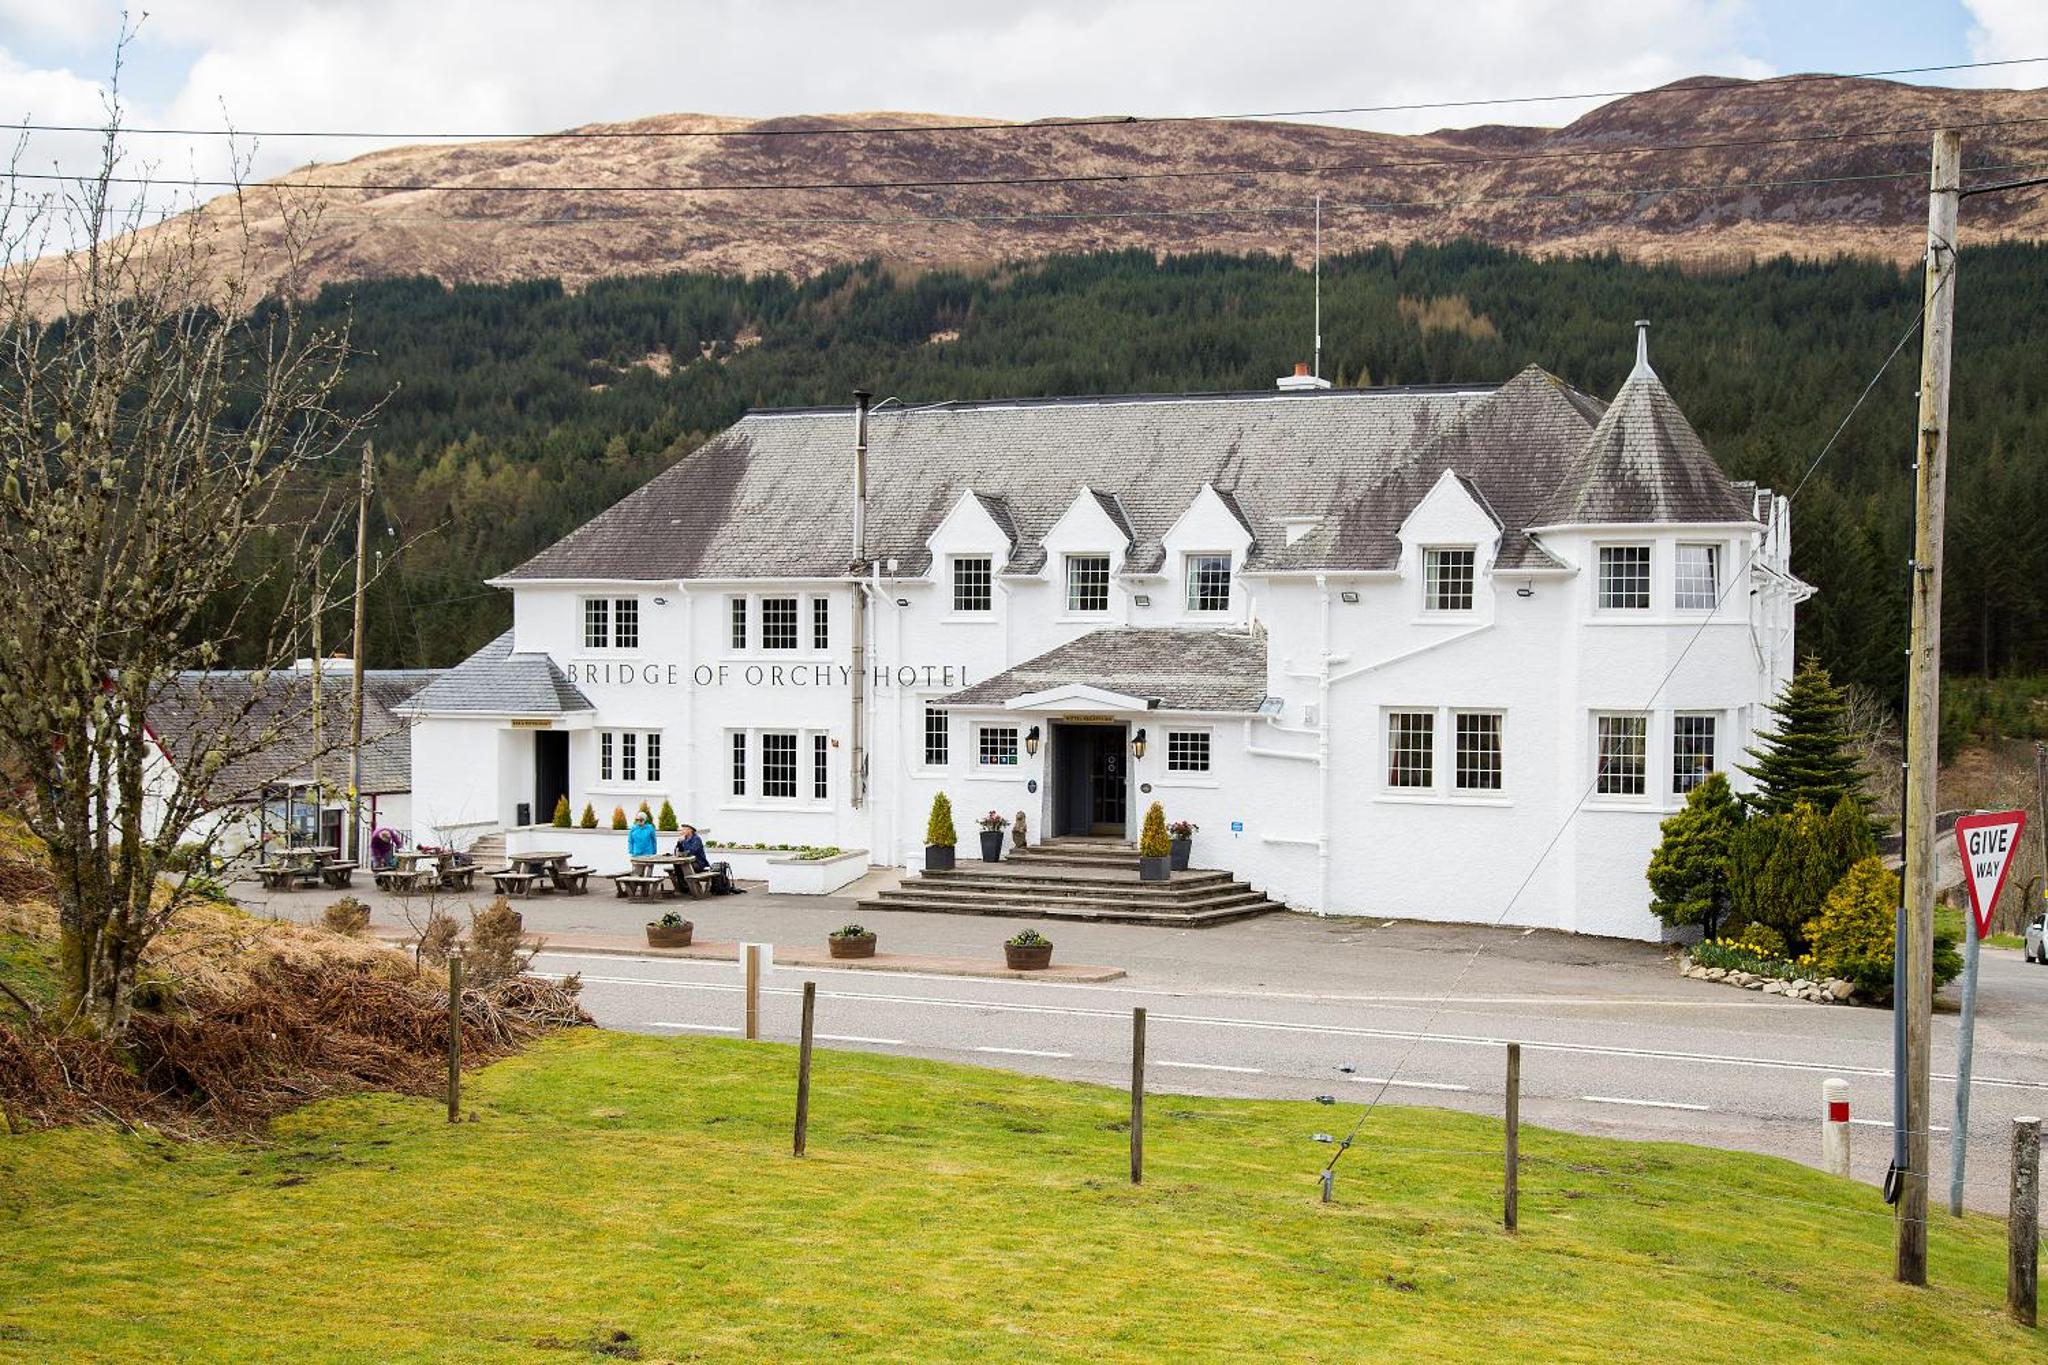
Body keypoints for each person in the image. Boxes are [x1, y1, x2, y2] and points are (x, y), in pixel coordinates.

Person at [674, 823, 740, 895]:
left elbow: (691, 852)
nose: (682, 830)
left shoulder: (696, 839)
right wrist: (679, 843)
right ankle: (684, 888)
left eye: (684, 829)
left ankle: (691, 889)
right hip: (688, 862)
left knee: (685, 867)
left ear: (690, 830)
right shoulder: (684, 839)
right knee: (677, 866)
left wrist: (683, 845)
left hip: (698, 863)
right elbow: (679, 851)